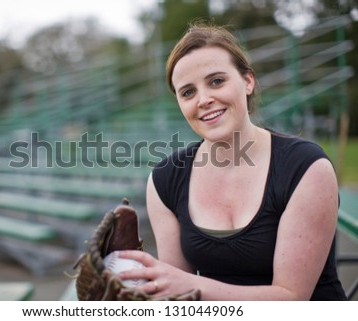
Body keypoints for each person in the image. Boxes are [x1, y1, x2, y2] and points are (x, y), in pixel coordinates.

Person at [118, 23, 347, 300]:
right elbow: (176, 297)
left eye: (216, 81)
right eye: (188, 92)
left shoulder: (305, 167)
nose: (204, 100)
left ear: (247, 81)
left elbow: (292, 300)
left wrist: (193, 286)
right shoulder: (166, 179)